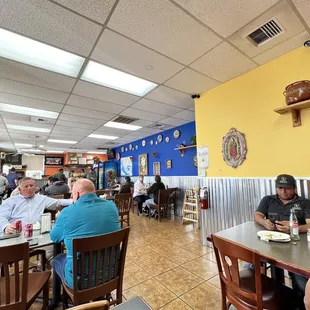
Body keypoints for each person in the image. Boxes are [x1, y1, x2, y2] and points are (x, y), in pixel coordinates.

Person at [50, 179, 120, 289]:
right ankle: (98, 296)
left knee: (57, 259)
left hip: (80, 281)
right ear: (94, 191)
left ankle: (62, 299)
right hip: (111, 273)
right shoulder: (111, 206)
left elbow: (54, 237)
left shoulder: (67, 212)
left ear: (77, 194)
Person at [255, 174, 310, 298]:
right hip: (270, 245)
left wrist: (293, 228)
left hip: (297, 248)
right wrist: (264, 222)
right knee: (254, 265)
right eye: (280, 188)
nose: (283, 191)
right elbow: (257, 215)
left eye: (287, 188)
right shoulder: (268, 199)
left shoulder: (304, 203)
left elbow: (309, 225)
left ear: (294, 188)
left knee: (301, 285)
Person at [0, 177, 72, 233]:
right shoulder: (11, 201)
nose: (30, 188)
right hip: (16, 233)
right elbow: (2, 216)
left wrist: (76, 200)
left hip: (36, 232)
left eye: (31, 186)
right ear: (19, 189)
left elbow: (59, 202)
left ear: (35, 187)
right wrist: (5, 226)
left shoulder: (41, 199)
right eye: (26, 186)